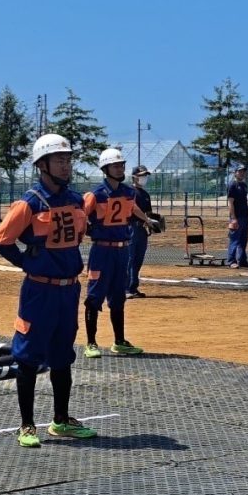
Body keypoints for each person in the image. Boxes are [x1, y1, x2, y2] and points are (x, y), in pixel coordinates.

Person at [0, 133, 96, 448]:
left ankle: (61, 420)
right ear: (43, 165)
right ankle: (26, 425)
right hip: (39, 292)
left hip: (68, 291)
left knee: (63, 355)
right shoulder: (30, 202)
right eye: (59, 160)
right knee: (28, 356)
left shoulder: (76, 200)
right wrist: (25, 261)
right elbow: (0, 239)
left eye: (68, 159)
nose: (66, 165)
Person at [83, 148, 162, 359]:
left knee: (118, 297)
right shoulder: (96, 194)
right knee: (94, 296)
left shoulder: (128, 192)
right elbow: (80, 213)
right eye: (116, 165)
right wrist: (85, 227)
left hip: (121, 250)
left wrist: (147, 220)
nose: (120, 168)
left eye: (121, 165)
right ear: (105, 169)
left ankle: (119, 341)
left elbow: (133, 208)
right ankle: (91, 342)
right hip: (102, 250)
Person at [127, 165, 153, 298]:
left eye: (145, 176)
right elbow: (134, 208)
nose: (144, 178)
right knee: (130, 258)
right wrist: (147, 219)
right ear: (134, 177)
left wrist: (155, 222)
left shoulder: (145, 194)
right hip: (131, 227)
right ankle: (126, 288)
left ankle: (133, 287)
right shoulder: (130, 191)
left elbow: (149, 212)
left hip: (142, 229)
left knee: (138, 259)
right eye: (141, 175)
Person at [226, 165, 248, 269]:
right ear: (235, 172)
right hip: (236, 217)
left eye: (243, 171)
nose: (242, 173)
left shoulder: (244, 185)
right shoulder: (232, 185)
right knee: (234, 239)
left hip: (245, 217)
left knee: (243, 239)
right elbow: (231, 203)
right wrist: (233, 218)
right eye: (240, 171)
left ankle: (242, 260)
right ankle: (231, 261)